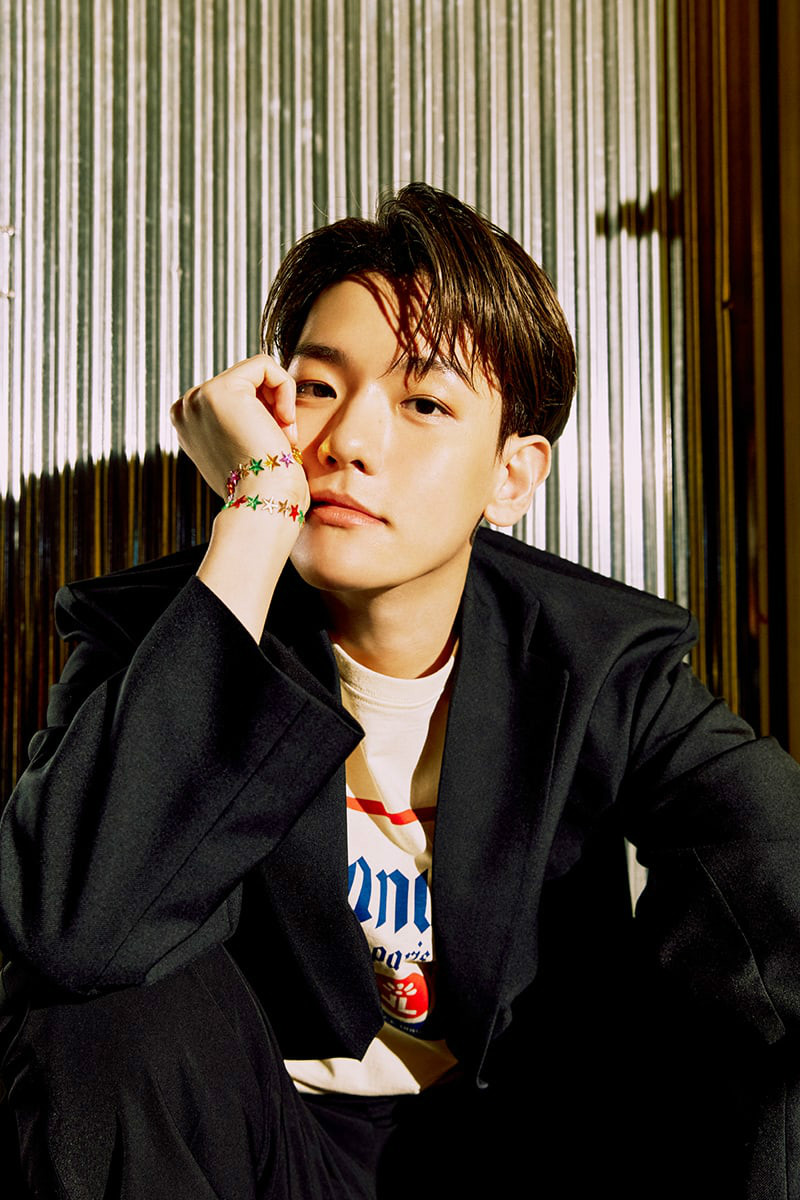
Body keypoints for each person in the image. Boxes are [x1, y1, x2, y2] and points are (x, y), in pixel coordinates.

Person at [1, 182, 799, 1199]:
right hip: (261, 1151)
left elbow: (773, 852)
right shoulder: (169, 631)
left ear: (513, 475)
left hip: (522, 1155)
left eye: (424, 404)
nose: (348, 441)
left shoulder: (596, 662)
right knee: (88, 1009)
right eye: (317, 388)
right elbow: (66, 929)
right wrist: (254, 517)